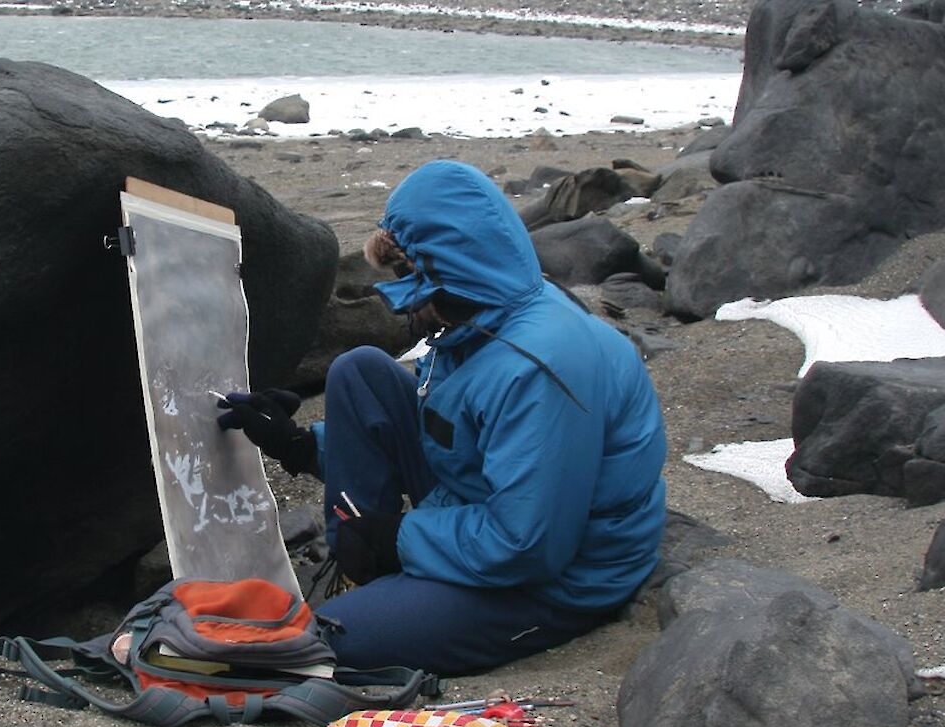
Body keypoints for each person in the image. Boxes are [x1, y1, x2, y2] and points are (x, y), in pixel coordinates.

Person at [217, 159, 668, 676]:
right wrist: (297, 445)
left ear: (444, 267)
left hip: (558, 578)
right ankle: (364, 567)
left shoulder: (538, 365)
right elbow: (452, 431)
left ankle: (383, 572)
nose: (402, 296)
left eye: (407, 275)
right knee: (360, 371)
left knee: (329, 643)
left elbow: (529, 546)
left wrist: (399, 538)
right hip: (494, 504)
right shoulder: (485, 309)